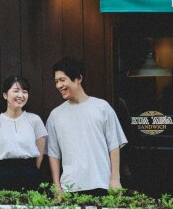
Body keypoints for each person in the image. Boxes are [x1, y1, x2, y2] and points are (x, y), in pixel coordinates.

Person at [46, 57, 127, 197]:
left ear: (78, 78)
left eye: (62, 80)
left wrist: (115, 179)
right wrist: (57, 187)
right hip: (70, 187)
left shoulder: (102, 107)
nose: (59, 85)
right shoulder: (55, 115)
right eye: (56, 81)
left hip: (102, 183)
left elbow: (113, 145)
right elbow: (53, 153)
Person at [0, 75, 48, 191]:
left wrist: (32, 172)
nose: (21, 95)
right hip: (3, 176)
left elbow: (40, 153)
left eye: (25, 92)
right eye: (16, 91)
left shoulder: (35, 120)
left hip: (30, 174)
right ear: (5, 95)